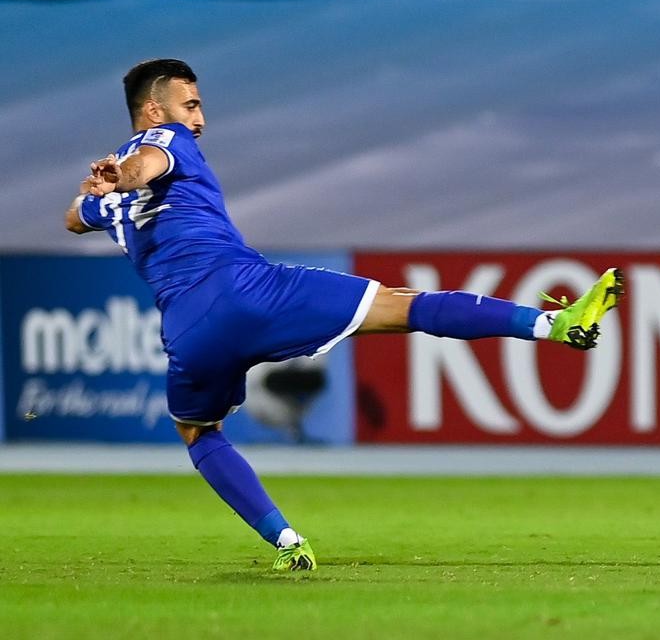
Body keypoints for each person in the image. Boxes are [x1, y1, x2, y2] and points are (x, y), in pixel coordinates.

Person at [65, 59, 624, 572]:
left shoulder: (106, 199)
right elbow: (149, 163)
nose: (200, 119)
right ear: (155, 110)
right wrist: (126, 172)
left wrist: (104, 187)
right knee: (406, 306)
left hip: (188, 330)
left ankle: (287, 542)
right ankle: (555, 324)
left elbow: (74, 217)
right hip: (248, 290)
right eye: (191, 105)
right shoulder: (167, 139)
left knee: (198, 433)